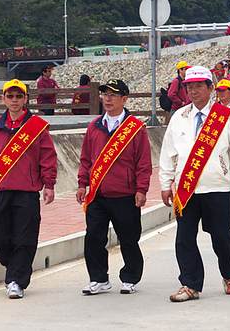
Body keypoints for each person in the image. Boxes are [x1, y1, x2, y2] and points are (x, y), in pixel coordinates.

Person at [159, 66, 230, 302]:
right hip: (186, 190)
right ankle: (190, 284)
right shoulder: (179, 118)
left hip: (218, 188)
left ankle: (228, 273)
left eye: (199, 86)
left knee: (221, 236)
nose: (193, 91)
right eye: (189, 87)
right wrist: (165, 182)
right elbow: (168, 153)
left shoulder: (226, 117)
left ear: (211, 88)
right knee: (184, 238)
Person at [0, 79, 57, 299]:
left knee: (25, 237)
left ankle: (16, 281)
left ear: (25, 99)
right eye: (10, 96)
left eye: (19, 96)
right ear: (3, 99)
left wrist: (49, 184)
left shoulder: (37, 126)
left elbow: (48, 157)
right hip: (0, 189)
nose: (14, 101)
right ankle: (14, 266)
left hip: (27, 190)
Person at [76, 79, 152, 296]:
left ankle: (130, 277)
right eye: (104, 95)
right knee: (94, 237)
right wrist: (83, 183)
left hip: (125, 194)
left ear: (124, 99)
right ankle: (98, 279)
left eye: (113, 95)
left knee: (128, 238)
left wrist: (141, 189)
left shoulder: (135, 129)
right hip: (97, 194)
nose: (107, 99)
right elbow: (86, 160)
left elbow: (143, 163)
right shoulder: (95, 126)